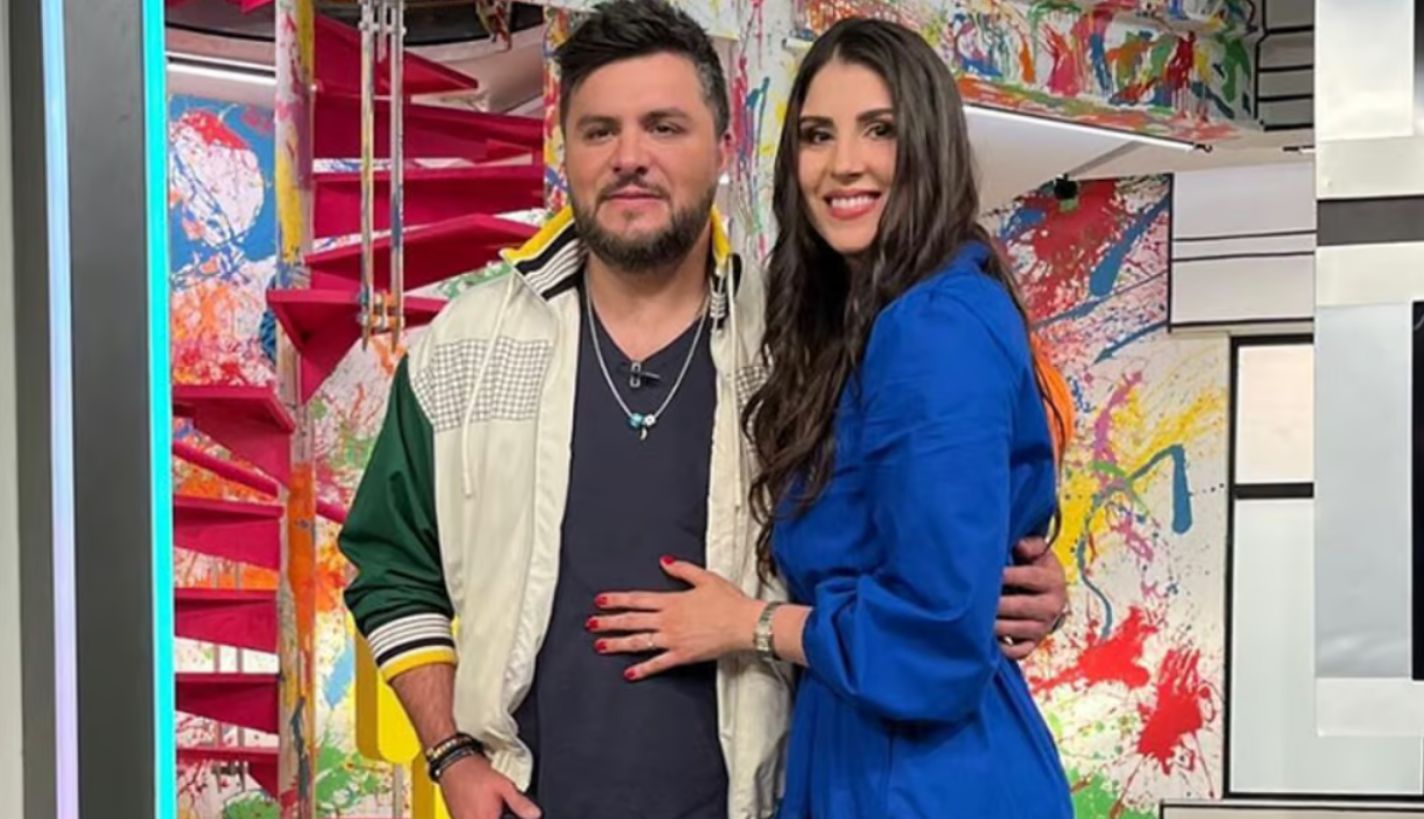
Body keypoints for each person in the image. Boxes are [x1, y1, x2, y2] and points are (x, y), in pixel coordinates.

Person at [339, 3, 1070, 819]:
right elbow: (389, 567)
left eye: (664, 126)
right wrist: (450, 752)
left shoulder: (802, 342)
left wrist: (1020, 576)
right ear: (562, 149)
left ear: (723, 147)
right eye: (599, 130)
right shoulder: (466, 349)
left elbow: (929, 522)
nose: (630, 157)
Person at [591, 15, 1075, 819]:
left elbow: (934, 640)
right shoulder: (860, 323)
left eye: (879, 129)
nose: (844, 162)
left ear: (928, 145)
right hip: (864, 754)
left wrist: (750, 624)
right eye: (818, 135)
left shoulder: (933, 327)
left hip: (925, 779)